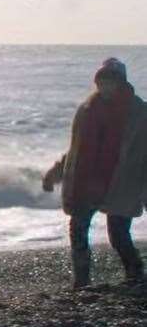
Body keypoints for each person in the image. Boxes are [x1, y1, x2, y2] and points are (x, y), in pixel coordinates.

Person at [43, 58, 147, 289]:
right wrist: (55, 173)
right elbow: (76, 149)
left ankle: (135, 272)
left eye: (111, 80)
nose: (105, 85)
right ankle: (81, 280)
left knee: (118, 234)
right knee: (78, 229)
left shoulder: (140, 114)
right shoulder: (87, 109)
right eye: (101, 80)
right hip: (86, 181)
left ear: (121, 82)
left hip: (122, 182)